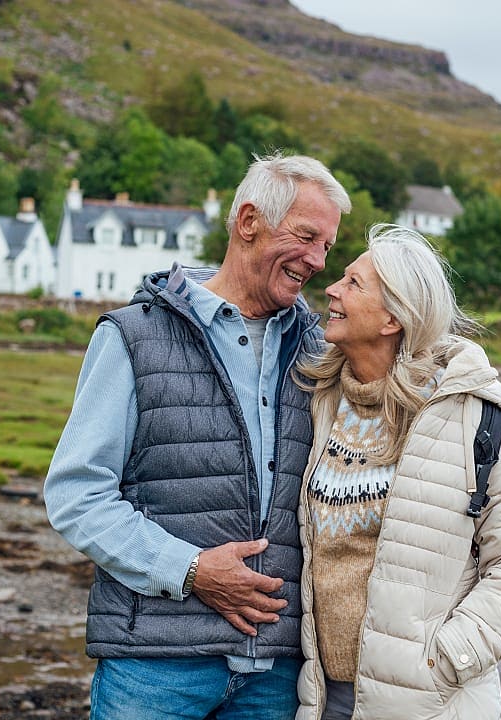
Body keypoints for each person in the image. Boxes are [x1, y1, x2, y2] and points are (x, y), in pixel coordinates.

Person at [44, 152, 352, 720]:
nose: (317, 260)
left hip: (279, 675)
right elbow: (77, 493)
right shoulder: (133, 335)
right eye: (307, 237)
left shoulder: (322, 354)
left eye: (328, 247)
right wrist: (189, 569)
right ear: (249, 221)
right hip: (153, 667)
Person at [294, 224, 501, 720]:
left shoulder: (477, 419)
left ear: (393, 317)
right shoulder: (318, 402)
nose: (330, 288)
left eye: (353, 283)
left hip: (428, 702)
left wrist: (443, 663)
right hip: (323, 698)